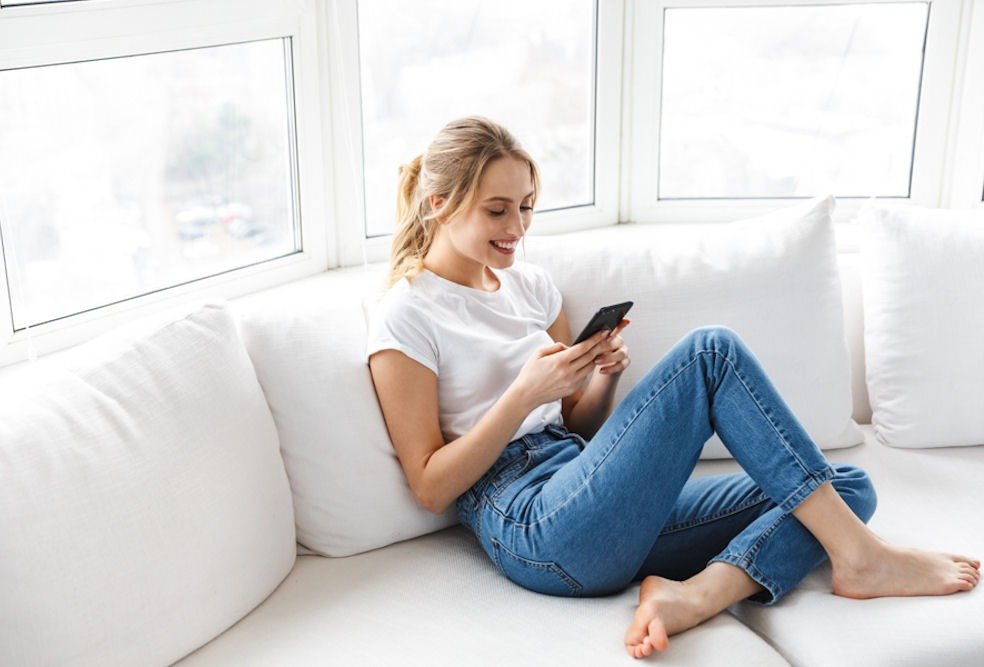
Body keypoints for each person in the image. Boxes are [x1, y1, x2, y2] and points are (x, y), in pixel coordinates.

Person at [365, 116, 980, 659]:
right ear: (440, 205)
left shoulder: (530, 287)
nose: (517, 227)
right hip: (532, 523)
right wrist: (523, 395)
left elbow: (578, 426)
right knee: (711, 352)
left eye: (526, 206)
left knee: (842, 488)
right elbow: (430, 486)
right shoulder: (408, 314)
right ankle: (861, 557)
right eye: (497, 210)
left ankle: (700, 594)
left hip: (589, 488)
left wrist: (602, 376)